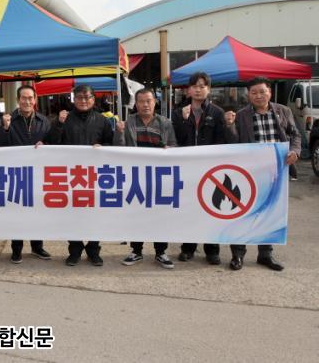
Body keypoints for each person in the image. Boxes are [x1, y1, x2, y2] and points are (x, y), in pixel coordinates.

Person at [224, 76, 300, 271]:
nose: (258, 96)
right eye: (254, 92)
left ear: (270, 92)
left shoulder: (283, 111)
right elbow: (233, 143)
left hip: (277, 171)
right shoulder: (241, 115)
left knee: (271, 212)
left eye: (262, 91)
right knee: (242, 212)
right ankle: (238, 254)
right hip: (249, 172)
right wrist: (230, 125)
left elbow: (295, 135)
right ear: (248, 95)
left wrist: (294, 151)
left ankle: (265, 254)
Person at [45, 84, 112, 267]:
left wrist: (103, 147)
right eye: (80, 98)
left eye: (87, 97)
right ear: (74, 99)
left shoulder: (102, 120)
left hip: (95, 176)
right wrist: (59, 124)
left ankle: (93, 250)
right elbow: (52, 143)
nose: (84, 101)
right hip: (70, 175)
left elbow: (111, 143)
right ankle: (74, 250)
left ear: (93, 99)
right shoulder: (64, 119)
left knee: (95, 215)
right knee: (72, 215)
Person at [114, 88, 177, 269]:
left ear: (155, 102)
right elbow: (118, 149)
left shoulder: (165, 123)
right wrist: (119, 133)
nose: (145, 104)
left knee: (160, 214)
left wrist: (170, 149)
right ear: (136, 104)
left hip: (159, 176)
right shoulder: (128, 123)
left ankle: (161, 252)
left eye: (149, 101)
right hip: (135, 176)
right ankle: (136, 250)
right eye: (141, 101)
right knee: (136, 214)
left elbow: (174, 145)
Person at [171, 72, 225, 265]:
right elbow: (176, 140)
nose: (198, 89)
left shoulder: (217, 113)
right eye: (194, 86)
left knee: (211, 208)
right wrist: (185, 120)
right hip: (187, 169)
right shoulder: (178, 112)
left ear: (208, 89)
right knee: (190, 209)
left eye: (202, 86)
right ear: (188, 90)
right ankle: (188, 248)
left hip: (210, 169)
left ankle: (212, 250)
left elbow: (221, 141)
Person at [0, 84, 52, 264]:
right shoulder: (9, 119)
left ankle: (37, 246)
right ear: (18, 100)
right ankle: (16, 249)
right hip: (15, 174)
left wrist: (45, 144)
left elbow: (52, 143)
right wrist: (5, 128)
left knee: (37, 212)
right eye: (24, 98)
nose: (27, 101)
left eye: (30, 98)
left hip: (38, 174)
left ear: (35, 100)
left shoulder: (44, 121)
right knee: (17, 213)